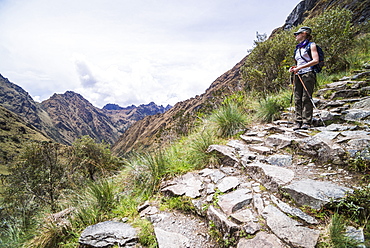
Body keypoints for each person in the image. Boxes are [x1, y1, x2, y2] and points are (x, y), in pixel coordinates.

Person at [289, 26, 319, 130]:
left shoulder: (312, 45)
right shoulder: (297, 49)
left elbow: (315, 60)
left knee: (306, 97)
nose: (296, 35)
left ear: (304, 33)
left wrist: (300, 67)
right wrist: (294, 68)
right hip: (298, 75)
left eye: (297, 34)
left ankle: (306, 122)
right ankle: (298, 121)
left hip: (308, 74)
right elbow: (298, 63)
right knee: (297, 98)